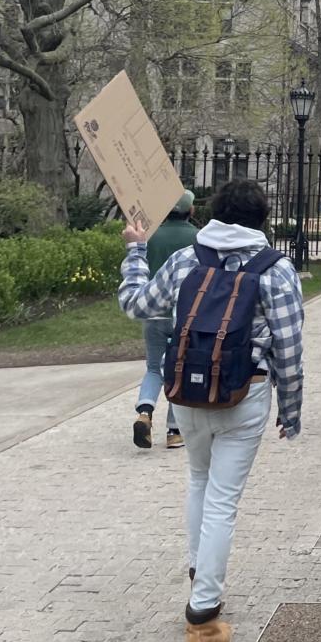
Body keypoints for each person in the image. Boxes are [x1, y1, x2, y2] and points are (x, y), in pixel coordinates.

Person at [118, 179, 304, 642]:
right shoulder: (277, 270)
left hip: (189, 393)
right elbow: (289, 347)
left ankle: (200, 573)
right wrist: (292, 408)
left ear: (216, 214)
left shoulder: (186, 261)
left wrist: (136, 250)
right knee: (224, 498)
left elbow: (137, 305)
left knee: (199, 481)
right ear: (262, 219)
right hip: (247, 392)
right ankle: (202, 618)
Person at [133, 190, 198, 450]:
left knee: (153, 368)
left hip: (154, 313)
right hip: (184, 314)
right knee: (179, 369)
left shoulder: (150, 236)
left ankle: (145, 412)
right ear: (190, 210)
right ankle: (174, 430)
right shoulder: (197, 238)